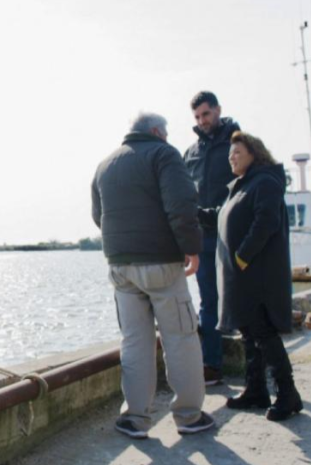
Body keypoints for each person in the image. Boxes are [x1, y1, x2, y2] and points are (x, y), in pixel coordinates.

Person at [91, 112, 214, 438]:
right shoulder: (164, 153)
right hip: (161, 263)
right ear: (158, 131)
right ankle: (189, 417)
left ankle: (135, 418)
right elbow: (181, 204)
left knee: (134, 342)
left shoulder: (105, 165)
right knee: (181, 337)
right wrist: (191, 247)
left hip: (119, 268)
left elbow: (97, 216)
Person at [199, 131, 303, 422]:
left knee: (264, 334)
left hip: (257, 276)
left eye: (237, 152)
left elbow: (265, 221)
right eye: (230, 153)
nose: (231, 157)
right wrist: (197, 214)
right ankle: (256, 390)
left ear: (254, 154)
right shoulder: (241, 186)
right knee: (249, 334)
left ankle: (288, 393)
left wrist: (242, 257)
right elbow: (224, 214)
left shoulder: (265, 182)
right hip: (241, 279)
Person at [184, 91, 241, 386]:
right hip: (202, 237)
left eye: (206, 114)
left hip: (234, 234)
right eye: (196, 117)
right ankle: (212, 365)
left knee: (242, 296)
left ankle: (258, 366)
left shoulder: (237, 143)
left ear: (218, 109)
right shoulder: (190, 152)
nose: (202, 121)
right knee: (208, 300)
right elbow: (183, 195)